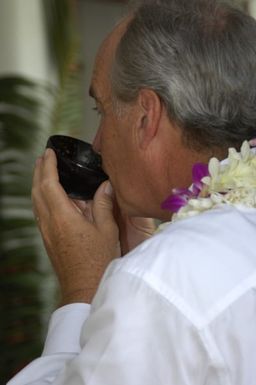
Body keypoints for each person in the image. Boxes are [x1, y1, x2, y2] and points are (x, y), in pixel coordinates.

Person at [7, 0, 256, 384]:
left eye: (101, 110)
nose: (97, 142)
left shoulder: (163, 278)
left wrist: (83, 289)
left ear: (146, 116)